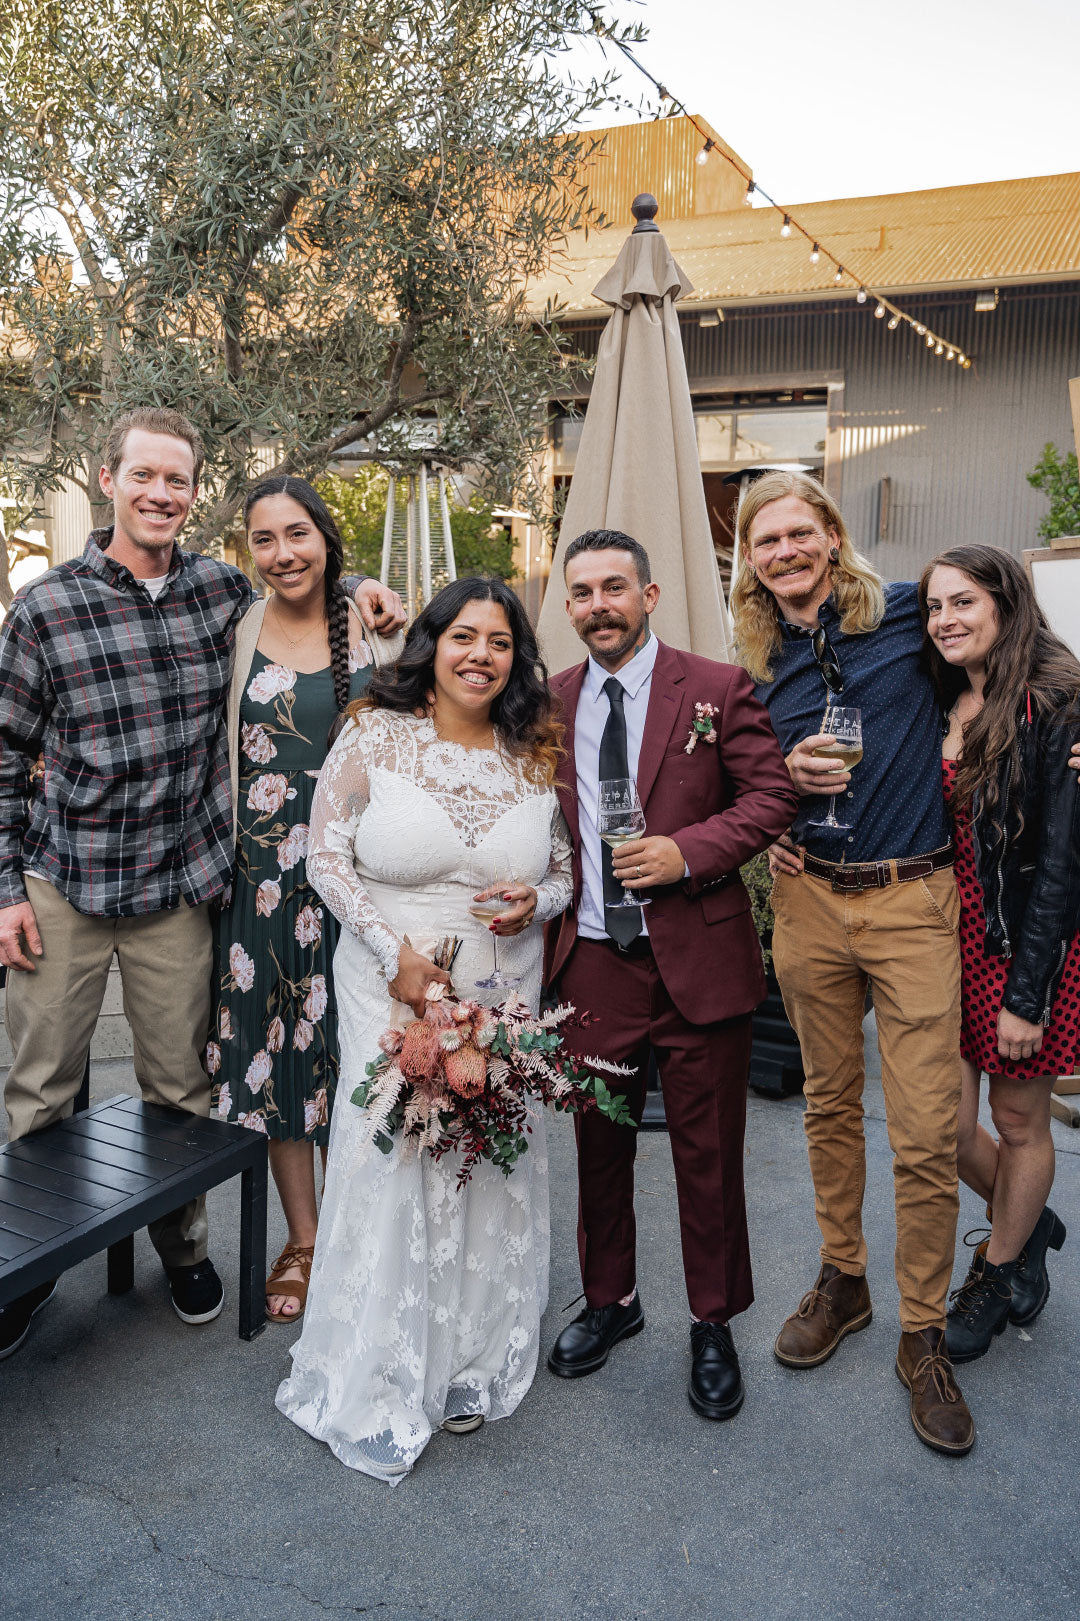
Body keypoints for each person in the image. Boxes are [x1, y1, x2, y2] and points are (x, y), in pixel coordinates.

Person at [0, 407, 403, 1361]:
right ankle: (28, 1265)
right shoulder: (45, 607)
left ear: (191, 492)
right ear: (109, 480)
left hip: (183, 886)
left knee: (180, 1088)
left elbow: (311, 607)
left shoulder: (226, 594)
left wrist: (373, 591)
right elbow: (6, 752)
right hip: (65, 880)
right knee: (40, 1087)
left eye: (176, 481)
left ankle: (181, 1248)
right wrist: (6, 887)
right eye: (144, 476)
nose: (159, 494)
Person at [275, 576, 572, 1481]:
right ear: (431, 645)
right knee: (399, 1151)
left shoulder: (533, 751)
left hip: (501, 981)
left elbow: (561, 871)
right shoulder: (374, 729)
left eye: (500, 642)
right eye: (463, 636)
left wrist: (539, 899)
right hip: (388, 973)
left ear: (516, 659)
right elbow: (322, 854)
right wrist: (390, 951)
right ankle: (388, 1362)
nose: (481, 654)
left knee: (487, 1155)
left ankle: (470, 1356)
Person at [732, 469, 980, 1455]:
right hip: (810, 901)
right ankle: (846, 1281)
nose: (786, 552)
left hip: (914, 898)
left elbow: (1013, 667)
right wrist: (774, 820)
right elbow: (740, 782)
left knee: (923, 1134)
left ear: (831, 536)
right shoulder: (758, 663)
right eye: (766, 542)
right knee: (829, 1103)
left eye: (800, 533)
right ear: (750, 563)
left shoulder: (916, 613)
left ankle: (924, 1334)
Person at [543, 529, 797, 1421]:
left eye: (615, 587)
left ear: (649, 597)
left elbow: (771, 797)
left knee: (708, 1153)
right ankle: (610, 1300)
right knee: (599, 1146)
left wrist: (686, 852)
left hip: (697, 959)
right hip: (593, 964)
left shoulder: (717, 689)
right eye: (582, 592)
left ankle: (713, 1320)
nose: (598, 605)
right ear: (568, 606)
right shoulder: (549, 701)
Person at [211, 475, 403, 1324]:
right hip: (259, 887)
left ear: (326, 537)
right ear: (247, 550)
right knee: (276, 1058)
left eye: (298, 534)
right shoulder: (235, 623)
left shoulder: (377, 626)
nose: (282, 553)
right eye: (263, 539)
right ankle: (305, 1236)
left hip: (355, 882)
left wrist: (364, 589)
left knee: (356, 1053)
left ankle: (363, 1230)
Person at [919, 546, 1078, 1364]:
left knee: (1018, 1122)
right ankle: (1032, 1215)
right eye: (934, 605)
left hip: (1020, 943)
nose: (944, 618)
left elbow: (1061, 862)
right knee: (941, 1124)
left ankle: (1000, 1267)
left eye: (962, 602)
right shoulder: (941, 690)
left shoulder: (1057, 701)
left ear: (1006, 603)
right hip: (939, 943)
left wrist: (1029, 993)